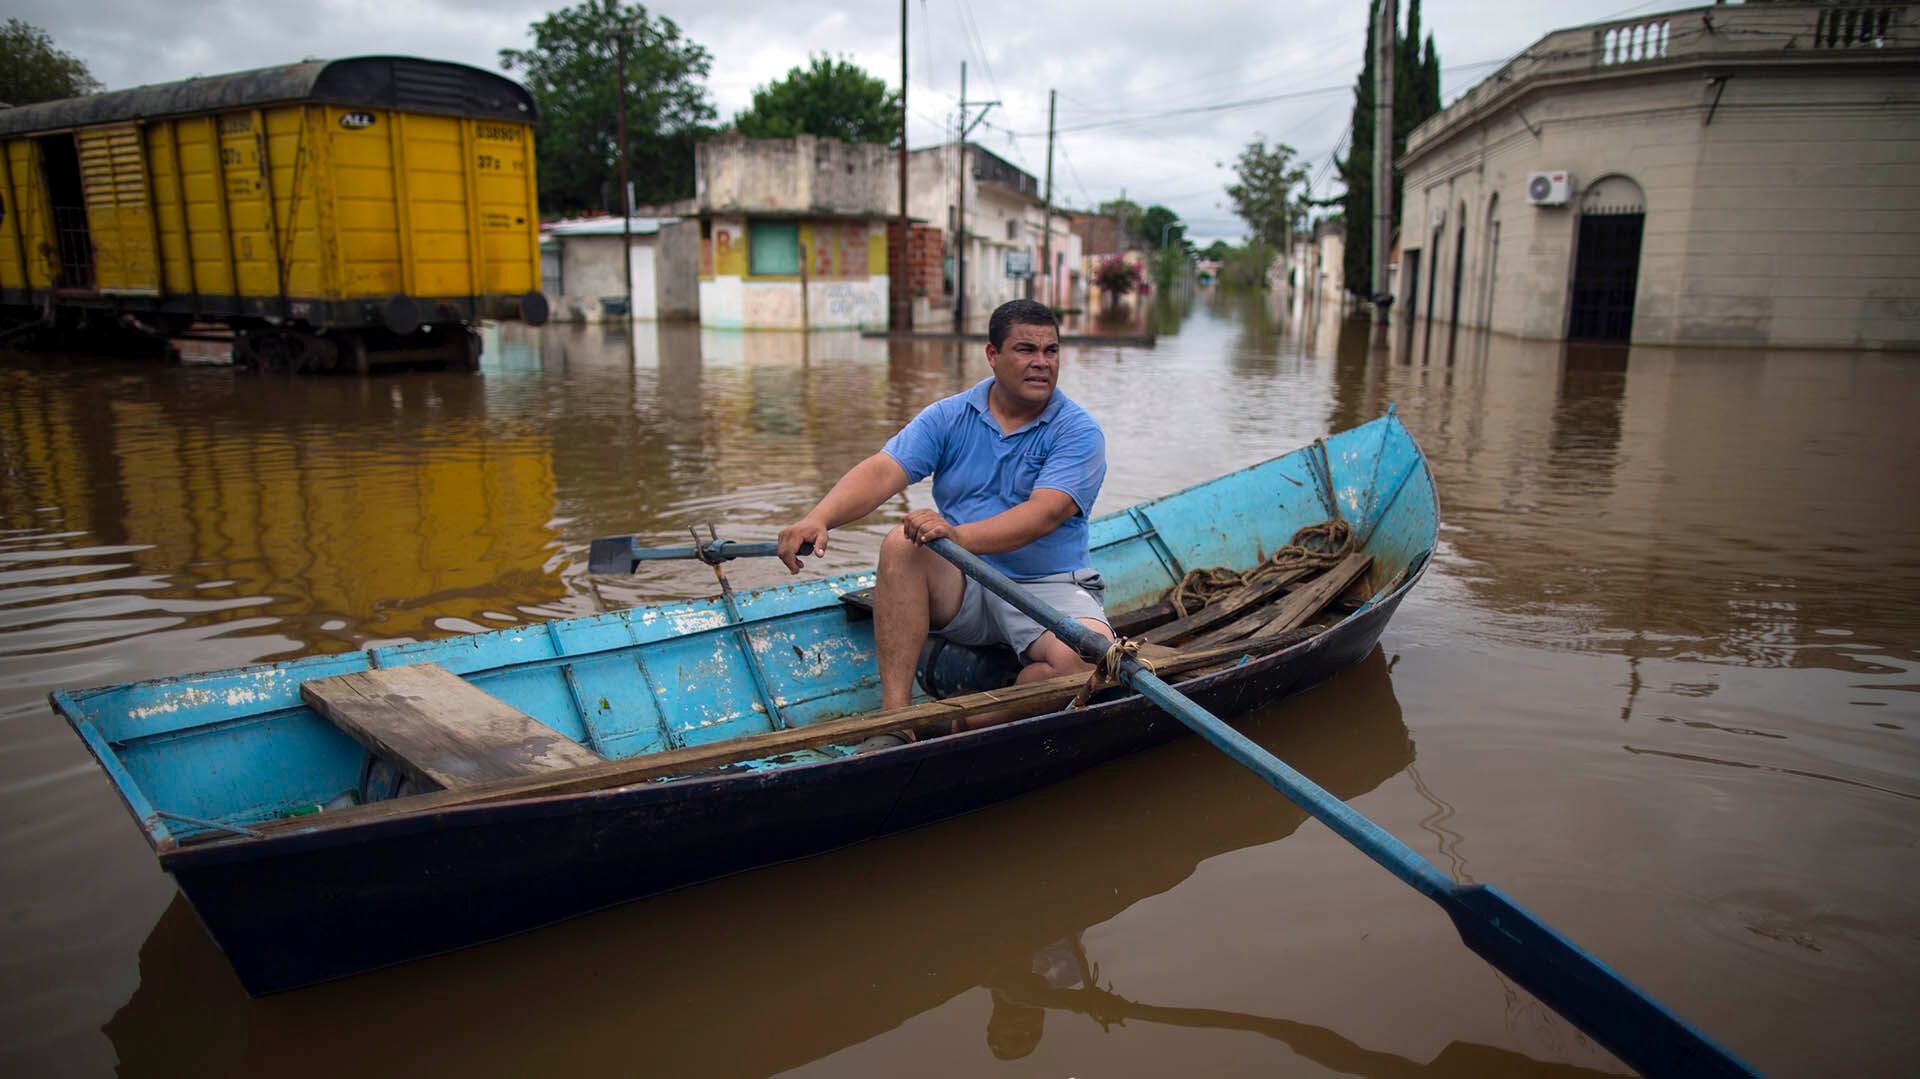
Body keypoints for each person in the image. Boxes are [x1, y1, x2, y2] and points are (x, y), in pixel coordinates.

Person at [776, 299, 1114, 745]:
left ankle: (961, 727)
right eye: (1026, 350)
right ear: (992, 355)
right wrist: (819, 518)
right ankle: (895, 719)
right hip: (966, 583)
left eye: (1051, 351)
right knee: (902, 542)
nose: (1041, 363)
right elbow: (883, 470)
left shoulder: (1077, 431)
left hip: (1047, 585)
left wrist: (957, 536)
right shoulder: (951, 416)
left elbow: (1043, 515)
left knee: (1087, 664)